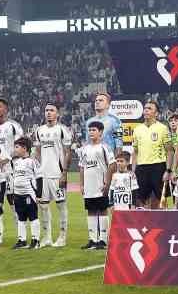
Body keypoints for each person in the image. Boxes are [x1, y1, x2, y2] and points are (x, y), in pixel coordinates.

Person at [34, 104, 72, 247]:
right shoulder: (39, 130)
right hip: (43, 175)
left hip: (57, 174)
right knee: (43, 206)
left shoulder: (62, 130)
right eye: (46, 111)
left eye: (52, 110)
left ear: (58, 113)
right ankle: (47, 237)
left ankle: (62, 236)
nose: (48, 113)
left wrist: (64, 173)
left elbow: (68, 152)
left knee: (61, 205)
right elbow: (37, 151)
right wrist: (37, 169)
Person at [77, 121, 113, 249]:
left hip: (100, 186)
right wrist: (81, 184)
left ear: (101, 132)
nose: (91, 132)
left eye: (94, 130)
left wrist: (107, 183)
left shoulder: (105, 147)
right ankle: (93, 239)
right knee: (91, 211)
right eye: (90, 130)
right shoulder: (85, 149)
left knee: (103, 210)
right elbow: (81, 167)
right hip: (89, 186)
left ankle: (103, 240)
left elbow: (111, 165)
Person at [131, 100, 172, 208]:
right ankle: (144, 224)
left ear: (156, 113)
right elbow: (135, 152)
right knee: (140, 201)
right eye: (145, 108)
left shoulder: (163, 128)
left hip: (158, 167)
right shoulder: (137, 129)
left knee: (159, 200)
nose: (146, 111)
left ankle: (163, 223)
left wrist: (168, 170)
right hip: (142, 168)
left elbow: (169, 151)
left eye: (150, 109)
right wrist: (133, 171)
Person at [8, 137, 41, 249]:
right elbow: (14, 178)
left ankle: (35, 240)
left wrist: (39, 195)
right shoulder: (16, 162)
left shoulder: (32, 161)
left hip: (29, 194)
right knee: (20, 218)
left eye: (17, 147)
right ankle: (21, 240)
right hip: (17, 195)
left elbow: (39, 178)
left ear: (24, 148)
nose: (15, 149)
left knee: (33, 217)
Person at [108, 149, 137, 214]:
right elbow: (111, 191)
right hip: (117, 207)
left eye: (121, 161)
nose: (119, 163)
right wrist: (111, 204)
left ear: (127, 162)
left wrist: (133, 205)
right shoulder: (114, 176)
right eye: (117, 161)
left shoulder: (131, 176)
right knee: (117, 223)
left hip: (127, 207)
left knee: (128, 223)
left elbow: (134, 192)